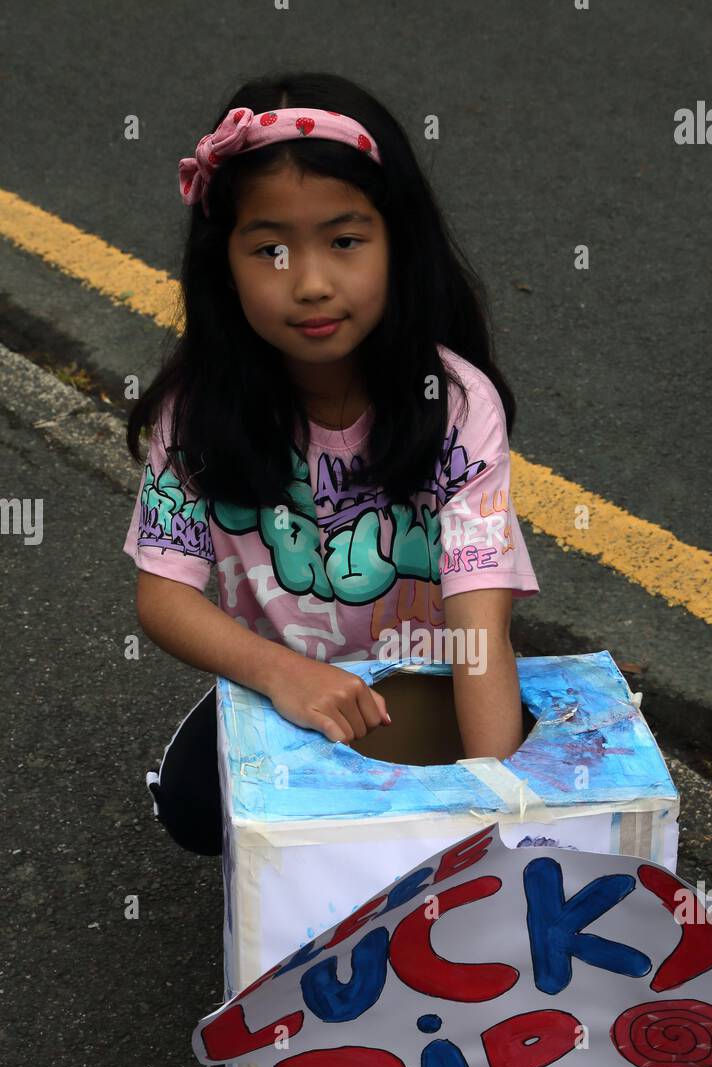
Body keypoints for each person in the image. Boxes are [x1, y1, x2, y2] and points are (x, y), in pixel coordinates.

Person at [123, 71, 540, 857]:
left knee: (469, 821)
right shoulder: (197, 412)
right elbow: (163, 596)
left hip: (433, 681)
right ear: (225, 263)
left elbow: (480, 624)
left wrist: (496, 823)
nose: (311, 283)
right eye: (270, 249)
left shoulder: (453, 402)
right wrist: (282, 674)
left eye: (346, 241)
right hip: (291, 689)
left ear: (397, 243)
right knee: (193, 805)